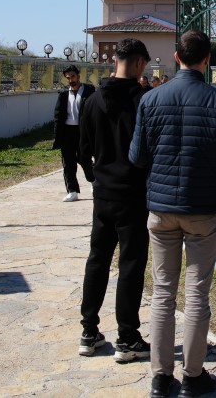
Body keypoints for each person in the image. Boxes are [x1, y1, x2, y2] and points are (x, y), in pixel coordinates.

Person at [129, 29, 216, 398]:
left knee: (163, 292)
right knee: (197, 294)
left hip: (161, 209)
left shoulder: (150, 100)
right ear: (207, 60)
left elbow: (137, 158)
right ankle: (193, 376)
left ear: (177, 57)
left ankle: (160, 376)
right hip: (202, 209)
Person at [76, 38, 152, 362]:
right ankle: (127, 337)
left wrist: (96, 178)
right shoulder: (143, 101)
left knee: (97, 259)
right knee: (131, 264)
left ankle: (88, 332)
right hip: (133, 194)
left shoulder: (91, 101)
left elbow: (82, 150)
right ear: (138, 64)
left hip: (103, 195)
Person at [52, 65, 95, 202]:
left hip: (83, 132)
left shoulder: (89, 91)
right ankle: (72, 190)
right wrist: (57, 135)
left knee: (84, 159)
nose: (71, 80)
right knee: (68, 163)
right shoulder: (64, 95)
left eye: (73, 77)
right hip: (67, 132)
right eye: (68, 78)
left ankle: (93, 181)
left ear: (78, 76)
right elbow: (58, 115)